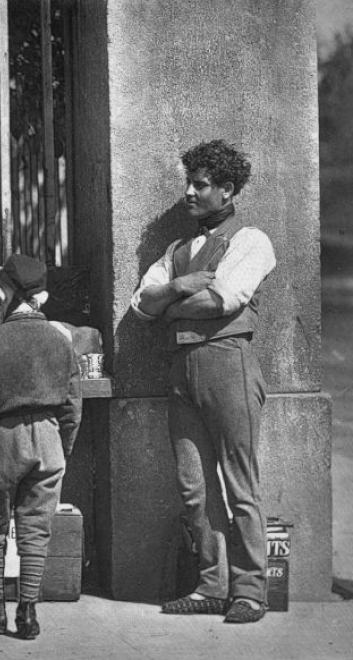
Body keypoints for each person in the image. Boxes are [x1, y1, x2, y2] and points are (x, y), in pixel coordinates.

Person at [131, 139, 276, 624]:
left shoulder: (250, 240)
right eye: (188, 183)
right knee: (194, 486)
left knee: (240, 482)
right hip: (181, 370)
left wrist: (165, 307)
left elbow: (224, 299)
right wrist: (174, 288)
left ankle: (251, 589)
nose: (189, 192)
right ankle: (211, 584)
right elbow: (139, 304)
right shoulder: (176, 251)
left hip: (227, 362)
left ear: (228, 190)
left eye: (201, 184)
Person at [0, 254, 82, 640]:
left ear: (4, 293)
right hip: (49, 440)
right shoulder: (62, 341)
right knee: (36, 529)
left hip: (3, 439)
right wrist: (61, 447)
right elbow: (73, 405)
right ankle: (28, 615)